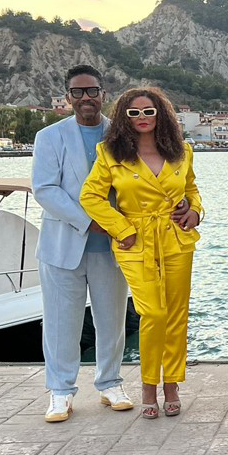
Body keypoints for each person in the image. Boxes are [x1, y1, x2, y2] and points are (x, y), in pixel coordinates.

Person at [80, 87, 202, 419]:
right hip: (134, 242)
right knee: (154, 313)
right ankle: (149, 384)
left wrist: (195, 211)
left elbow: (191, 189)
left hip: (176, 238)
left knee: (176, 314)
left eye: (149, 111)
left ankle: (172, 383)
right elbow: (90, 196)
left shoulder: (182, 150)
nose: (143, 118)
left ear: (161, 114)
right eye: (134, 112)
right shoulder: (110, 153)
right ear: (124, 117)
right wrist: (122, 228)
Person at [33, 65, 136, 422]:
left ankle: (110, 383)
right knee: (61, 322)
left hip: (112, 247)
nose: (85, 97)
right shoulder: (49, 136)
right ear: (68, 97)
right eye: (77, 92)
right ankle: (60, 391)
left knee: (113, 320)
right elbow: (45, 189)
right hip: (63, 246)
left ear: (103, 94)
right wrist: (88, 221)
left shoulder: (122, 135)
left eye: (92, 90)